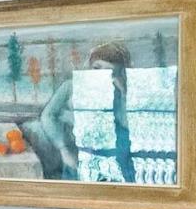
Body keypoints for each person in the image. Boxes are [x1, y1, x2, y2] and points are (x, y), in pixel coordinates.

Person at [22, 42, 133, 182]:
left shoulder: (116, 92)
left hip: (108, 149)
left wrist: (123, 94)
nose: (98, 74)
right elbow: (48, 115)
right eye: (96, 68)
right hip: (74, 147)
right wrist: (63, 148)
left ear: (116, 74)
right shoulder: (71, 86)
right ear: (89, 65)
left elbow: (125, 123)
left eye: (108, 71)